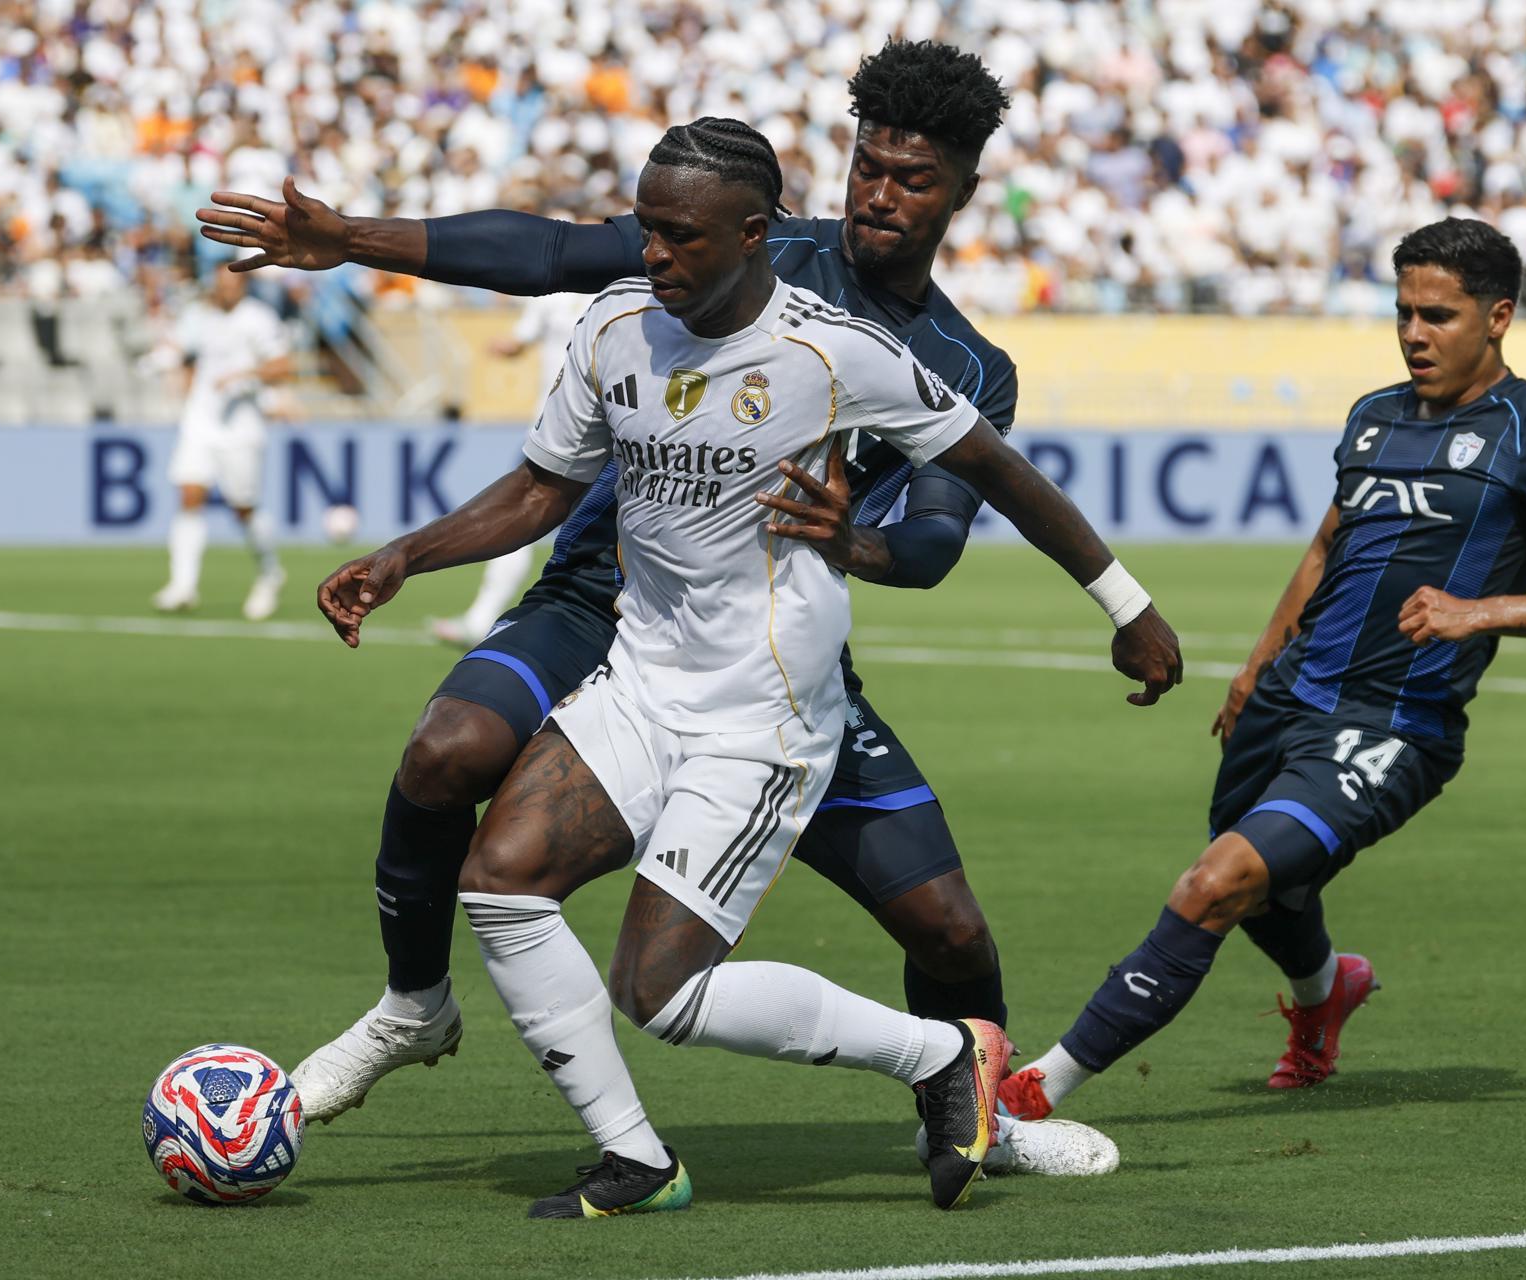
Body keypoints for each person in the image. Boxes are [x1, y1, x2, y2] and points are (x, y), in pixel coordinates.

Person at [198, 42, 1167, 1174]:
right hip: (599, 600)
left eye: (914, 179)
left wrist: (859, 542)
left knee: (947, 927)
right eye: (868, 166)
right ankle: (413, 1006)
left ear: (962, 190)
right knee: (447, 750)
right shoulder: (736, 234)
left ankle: (977, 1118)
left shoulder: (959, 359)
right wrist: (353, 239)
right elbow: (551, 253)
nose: (880, 194)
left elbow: (938, 539)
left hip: (770, 649)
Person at [999, 218, 1526, 1122]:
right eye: (1403, 313)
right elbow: (1326, 548)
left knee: (1216, 885)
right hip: (1287, 695)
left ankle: (1032, 1092)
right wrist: (1255, 667)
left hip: (1392, 726)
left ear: (1498, 318)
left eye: (1438, 316)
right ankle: (1325, 992)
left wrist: (1479, 612)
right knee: (1270, 894)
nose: (1414, 334)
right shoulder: (1374, 415)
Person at [428, 280, 588, 650]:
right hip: (551, 431)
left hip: (600, 434)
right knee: (524, 522)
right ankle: (482, 617)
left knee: (551, 526)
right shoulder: (557, 293)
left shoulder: (623, 289)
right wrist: (503, 345)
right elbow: (520, 340)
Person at [151, 262, 293, 620]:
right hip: (200, 421)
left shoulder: (259, 318)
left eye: (232, 285)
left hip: (241, 426)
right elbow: (179, 350)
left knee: (243, 507)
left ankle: (269, 572)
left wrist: (245, 374)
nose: (225, 290)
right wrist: (164, 363)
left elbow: (282, 366)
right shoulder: (199, 316)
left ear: (243, 285)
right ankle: (182, 585)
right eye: (220, 284)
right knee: (189, 494)